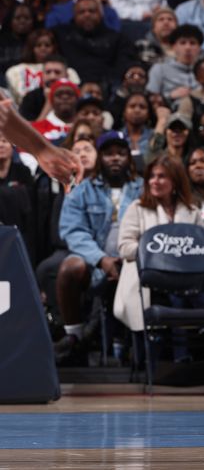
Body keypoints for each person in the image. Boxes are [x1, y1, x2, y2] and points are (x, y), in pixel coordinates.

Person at [54, 131, 142, 363]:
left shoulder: (143, 188)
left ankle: (141, 341)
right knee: (69, 266)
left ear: (129, 158)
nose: (115, 158)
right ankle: (74, 335)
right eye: (109, 154)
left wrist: (130, 258)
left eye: (121, 153)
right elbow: (72, 230)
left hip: (135, 263)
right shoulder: (81, 189)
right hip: (96, 265)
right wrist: (102, 259)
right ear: (100, 158)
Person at [113, 154, 204, 334]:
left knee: (199, 297)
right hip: (148, 278)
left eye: (162, 176)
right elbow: (125, 248)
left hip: (186, 277)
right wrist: (159, 252)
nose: (155, 181)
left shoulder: (192, 212)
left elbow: (202, 248)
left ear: (175, 181)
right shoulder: (137, 208)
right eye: (152, 176)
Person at [52, 0, 136, 86]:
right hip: (71, 85)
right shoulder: (61, 35)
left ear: (100, 14)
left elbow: (124, 65)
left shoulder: (117, 38)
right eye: (81, 12)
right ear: (74, 15)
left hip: (108, 87)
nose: (87, 15)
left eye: (92, 11)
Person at [146, 25, 203, 104]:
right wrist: (170, 96)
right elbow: (151, 98)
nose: (188, 47)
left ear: (199, 48)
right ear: (174, 47)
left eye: (192, 43)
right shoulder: (159, 69)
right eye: (182, 43)